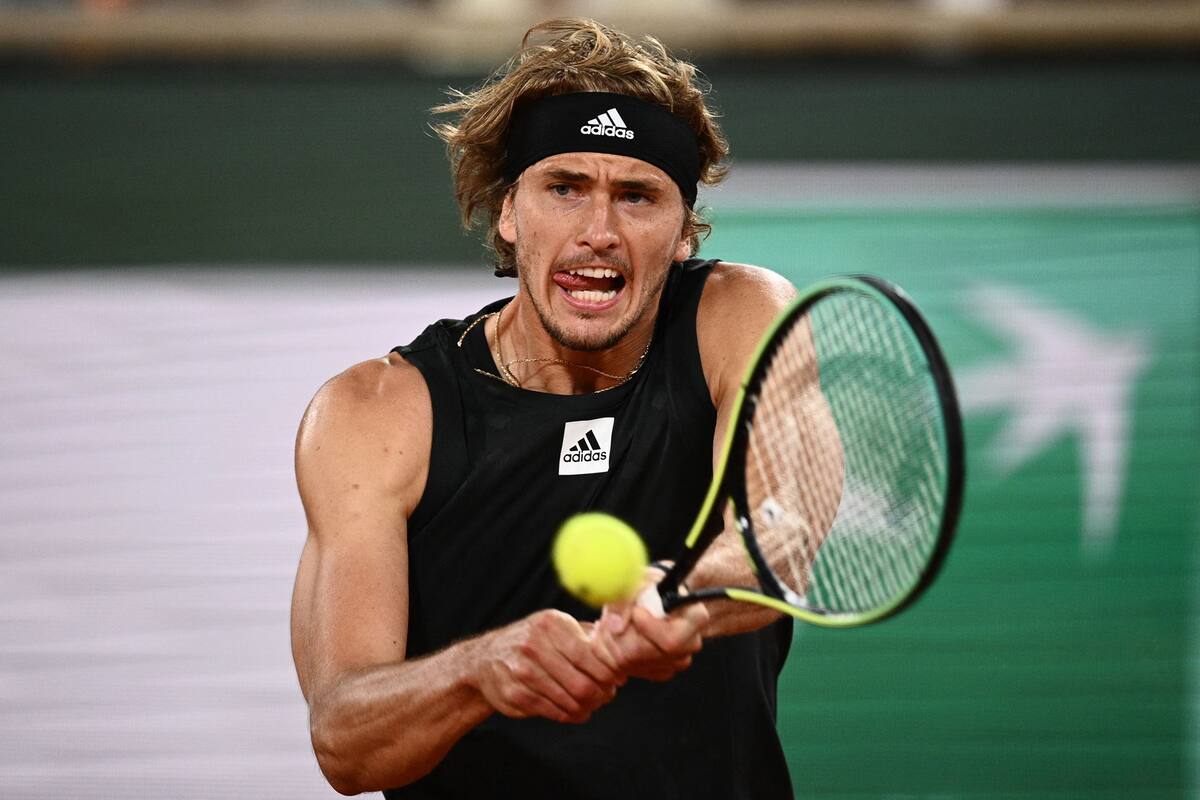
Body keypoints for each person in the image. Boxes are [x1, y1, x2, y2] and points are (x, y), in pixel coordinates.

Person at [291, 18, 807, 798]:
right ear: (508, 212)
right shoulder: (376, 414)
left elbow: (785, 528)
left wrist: (681, 594)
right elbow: (346, 741)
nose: (599, 231)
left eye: (637, 196)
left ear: (680, 234)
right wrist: (479, 670)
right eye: (564, 188)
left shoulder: (738, 316)